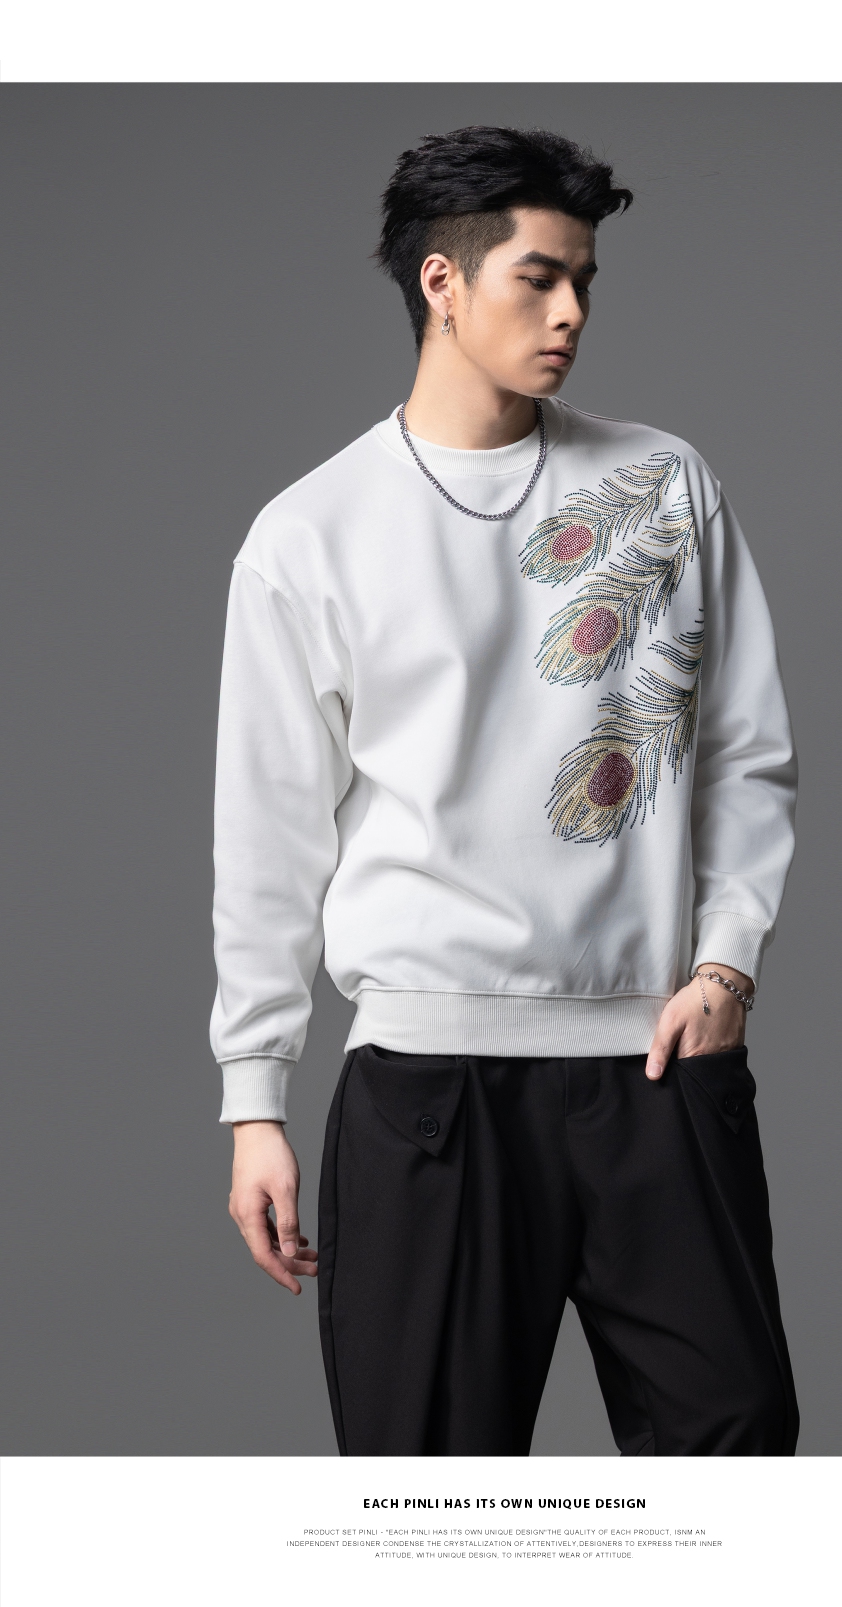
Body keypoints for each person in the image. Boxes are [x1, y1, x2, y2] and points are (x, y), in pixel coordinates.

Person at [211, 125, 800, 1456]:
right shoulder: (311, 534)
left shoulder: (663, 484)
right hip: (429, 1091)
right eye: (539, 278)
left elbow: (745, 748)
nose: (572, 311)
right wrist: (255, 1099)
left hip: (657, 1068)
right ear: (442, 282)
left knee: (737, 1459)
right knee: (428, 1493)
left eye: (584, 279)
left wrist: (728, 965)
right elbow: (268, 835)